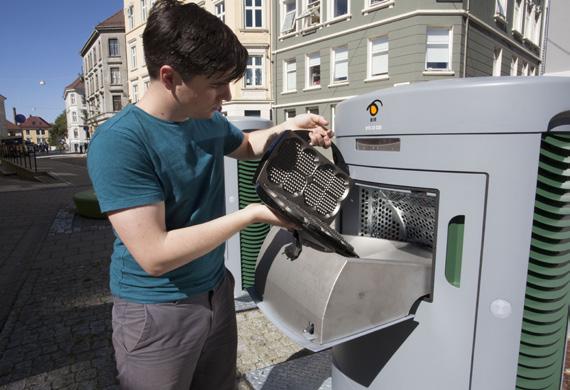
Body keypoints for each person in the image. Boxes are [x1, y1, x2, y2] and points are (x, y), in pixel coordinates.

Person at [86, 1, 334, 389]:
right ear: (170, 77)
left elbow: (249, 145)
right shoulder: (121, 141)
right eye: (217, 83)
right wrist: (251, 215)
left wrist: (292, 126)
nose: (228, 96)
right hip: (157, 309)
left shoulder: (205, 119)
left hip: (216, 289)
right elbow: (154, 255)